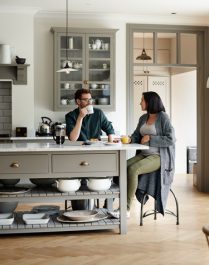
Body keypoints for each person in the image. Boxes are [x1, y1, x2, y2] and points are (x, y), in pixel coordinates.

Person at [110, 91, 175, 219]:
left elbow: (171, 139)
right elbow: (136, 135)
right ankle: (109, 205)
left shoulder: (163, 117)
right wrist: (129, 139)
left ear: (150, 102)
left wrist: (151, 138)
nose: (140, 102)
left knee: (133, 169)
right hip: (144, 154)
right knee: (118, 168)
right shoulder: (143, 118)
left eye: (142, 100)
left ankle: (125, 209)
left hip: (158, 157)